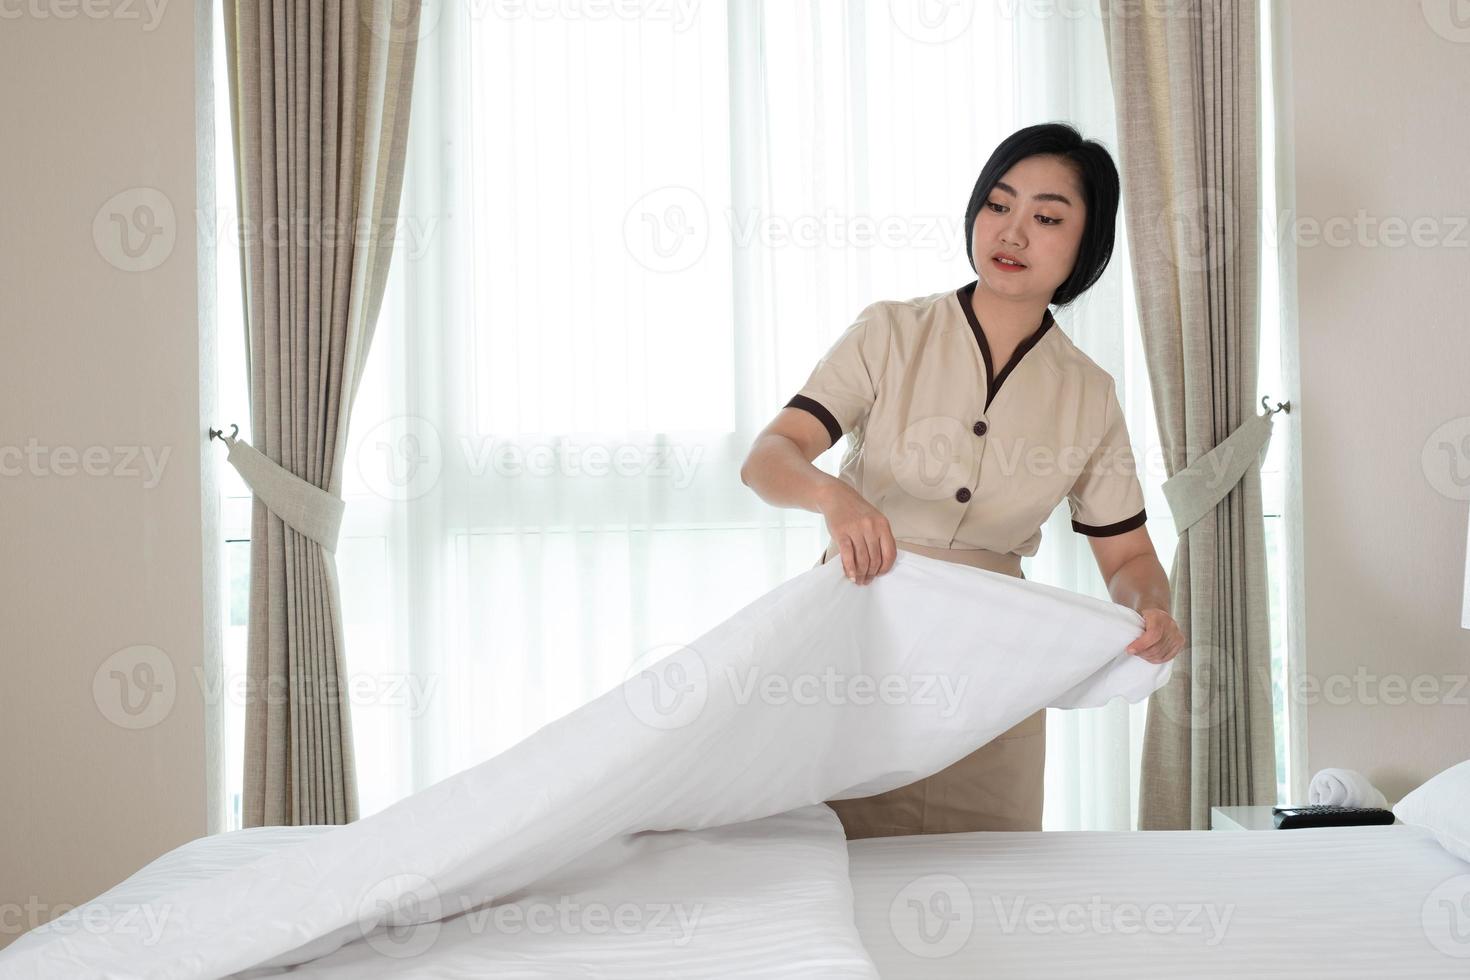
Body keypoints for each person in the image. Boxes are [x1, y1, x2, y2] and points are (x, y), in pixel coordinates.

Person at [738, 122, 1185, 839]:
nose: (1013, 231)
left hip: (994, 670)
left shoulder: (1089, 393)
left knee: (991, 880)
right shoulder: (889, 333)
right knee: (833, 864)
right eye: (998, 205)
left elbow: (1129, 558)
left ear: (1085, 245)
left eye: (1046, 218)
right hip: (861, 642)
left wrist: (1154, 608)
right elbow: (769, 457)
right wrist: (834, 496)